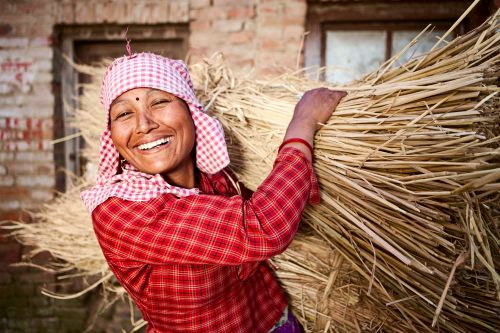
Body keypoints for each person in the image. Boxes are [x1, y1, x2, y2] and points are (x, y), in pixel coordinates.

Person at [81, 51, 346, 333]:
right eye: (124, 113)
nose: (144, 124)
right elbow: (262, 227)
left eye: (159, 102)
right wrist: (304, 121)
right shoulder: (120, 213)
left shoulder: (214, 171)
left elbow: (278, 198)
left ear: (191, 111)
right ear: (111, 135)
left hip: (274, 320)